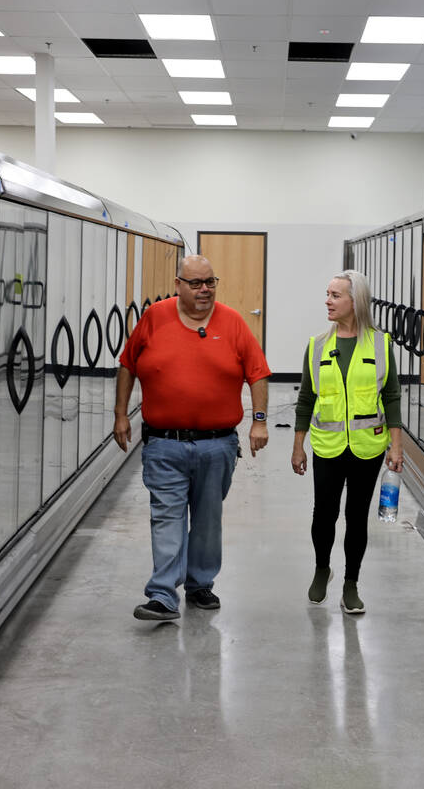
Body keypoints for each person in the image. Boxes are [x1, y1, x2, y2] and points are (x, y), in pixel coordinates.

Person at [114, 254, 270, 621]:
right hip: (164, 442)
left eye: (210, 282)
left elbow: (258, 372)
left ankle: (200, 583)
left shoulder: (232, 322)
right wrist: (120, 414)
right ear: (178, 285)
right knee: (166, 515)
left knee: (207, 518)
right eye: (197, 283)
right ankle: (163, 595)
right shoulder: (154, 318)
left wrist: (259, 421)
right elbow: (128, 364)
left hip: (217, 444)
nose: (205, 290)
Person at [291, 269, 403, 614]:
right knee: (323, 514)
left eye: (335, 295)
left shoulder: (381, 344)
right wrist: (298, 445)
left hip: (367, 448)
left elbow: (392, 397)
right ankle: (322, 567)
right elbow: (306, 398)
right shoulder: (317, 346)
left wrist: (396, 446)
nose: (327, 300)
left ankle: (351, 582)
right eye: (328, 294)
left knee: (357, 517)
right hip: (327, 445)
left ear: (356, 302)